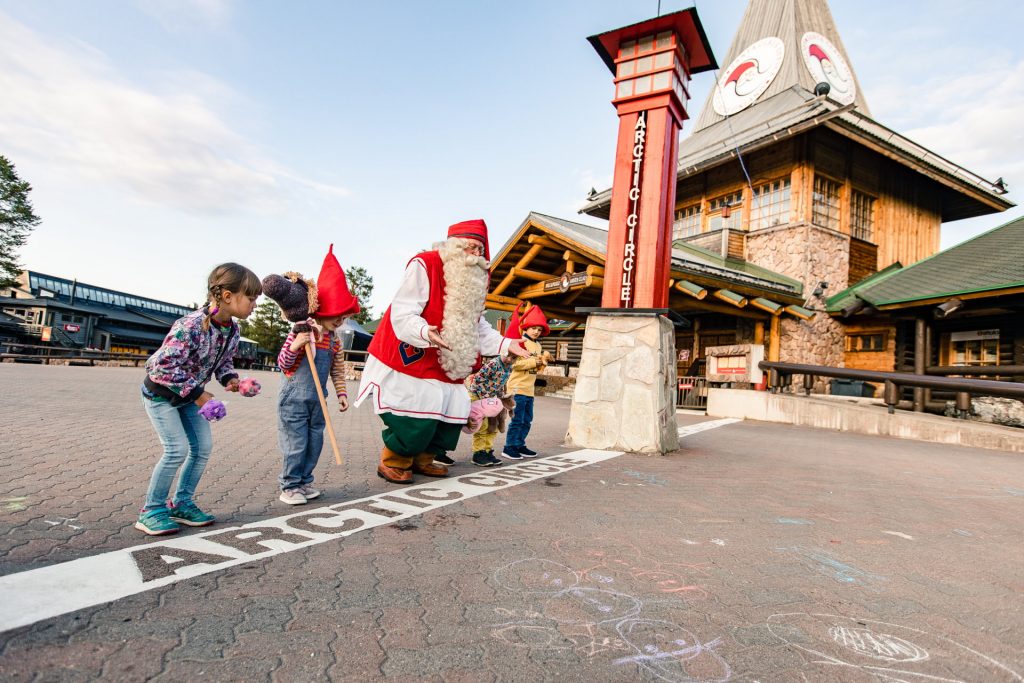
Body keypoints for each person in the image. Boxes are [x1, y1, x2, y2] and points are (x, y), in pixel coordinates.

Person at [354, 219, 528, 484]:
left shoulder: (476, 283)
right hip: (412, 358)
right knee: (412, 418)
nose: (475, 256)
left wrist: (506, 344)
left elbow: (478, 328)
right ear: (452, 247)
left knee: (448, 420)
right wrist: (425, 332)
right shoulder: (425, 264)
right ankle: (395, 460)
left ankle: (423, 460)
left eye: (480, 251)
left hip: (448, 365)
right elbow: (404, 310)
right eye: (469, 248)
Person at [136, 263, 262, 535]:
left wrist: (233, 381)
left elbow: (223, 362)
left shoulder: (232, 330)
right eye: (251, 298)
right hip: (161, 396)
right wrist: (201, 395)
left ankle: (181, 503)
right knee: (176, 449)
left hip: (190, 398)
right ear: (227, 296)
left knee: (202, 447)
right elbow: (160, 368)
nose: (254, 305)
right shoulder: (190, 325)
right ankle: (152, 509)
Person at [275, 246, 360, 505]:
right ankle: (290, 485)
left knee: (314, 443)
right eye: (337, 314)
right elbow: (283, 364)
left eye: (345, 316)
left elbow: (336, 370)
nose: (341, 320)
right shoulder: (301, 332)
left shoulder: (334, 341)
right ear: (323, 310)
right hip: (294, 400)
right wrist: (296, 345)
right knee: (296, 443)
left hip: (318, 400)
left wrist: (342, 394)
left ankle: (305, 481)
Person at [501, 302, 552, 460]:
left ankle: (519, 444)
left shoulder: (538, 345)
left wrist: (542, 363)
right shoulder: (519, 342)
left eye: (539, 329)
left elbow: (534, 365)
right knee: (517, 420)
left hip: (529, 389)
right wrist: (536, 362)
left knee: (527, 420)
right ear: (526, 327)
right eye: (534, 328)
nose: (536, 332)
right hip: (517, 388)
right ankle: (509, 447)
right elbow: (514, 363)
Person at [465, 354, 515, 467]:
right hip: (478, 397)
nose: (510, 359)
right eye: (508, 356)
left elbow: (501, 385)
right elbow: (477, 380)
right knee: (482, 426)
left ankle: (487, 451)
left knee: (493, 426)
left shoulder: (509, 367)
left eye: (514, 358)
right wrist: (486, 397)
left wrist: (502, 397)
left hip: (492, 400)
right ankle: (478, 453)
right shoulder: (493, 364)